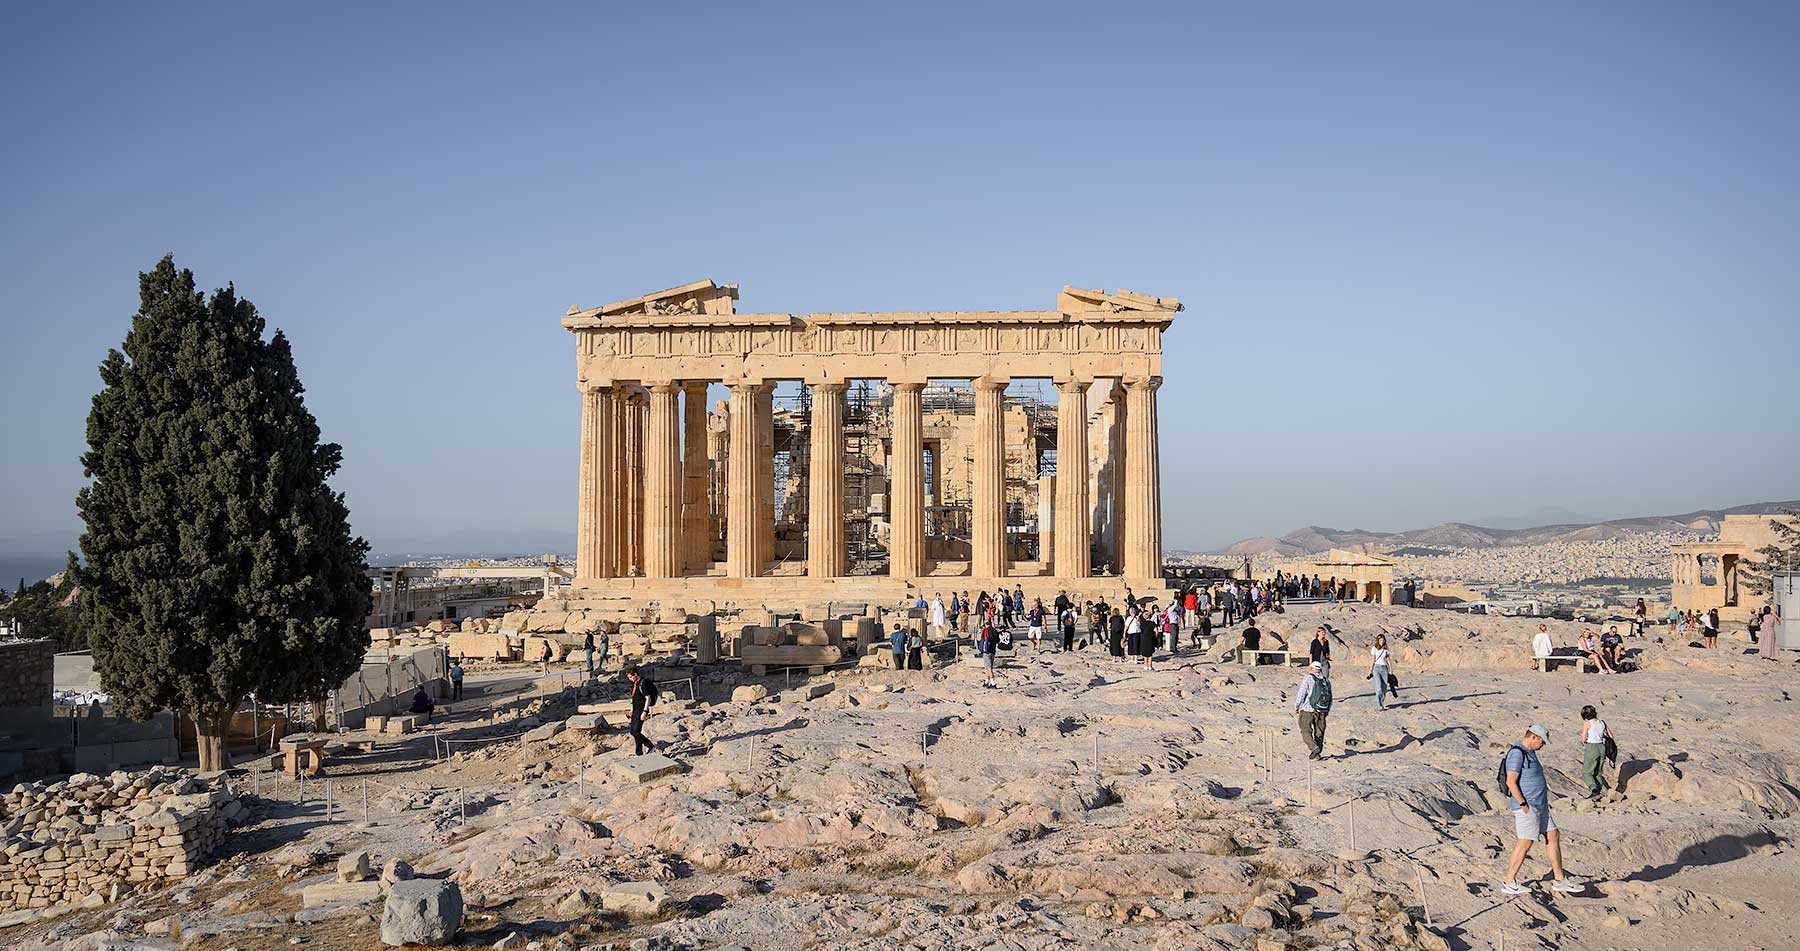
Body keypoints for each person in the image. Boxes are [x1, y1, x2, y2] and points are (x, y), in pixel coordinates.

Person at [1499, 724, 1583, 895]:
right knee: (1525, 841)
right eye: (1543, 742)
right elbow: (1510, 781)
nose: (1543, 745)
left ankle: (1559, 879)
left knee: (1553, 834)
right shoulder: (1517, 753)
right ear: (1534, 737)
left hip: (1540, 805)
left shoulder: (1530, 752)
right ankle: (1509, 882)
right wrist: (1523, 804)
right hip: (1527, 807)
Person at [1294, 660, 1332, 760]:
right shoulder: (1326, 680)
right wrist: (1327, 710)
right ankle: (1317, 754)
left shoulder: (1308, 678)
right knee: (1319, 732)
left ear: (1311, 668)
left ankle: (1314, 747)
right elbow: (1330, 697)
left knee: (1305, 730)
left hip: (1308, 709)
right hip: (1321, 709)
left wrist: (1297, 706)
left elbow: (1301, 693)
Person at [1578, 705, 1613, 799]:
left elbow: (1583, 738)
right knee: (1598, 772)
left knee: (1587, 772)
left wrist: (1583, 740)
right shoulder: (1602, 723)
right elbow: (1611, 736)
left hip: (1592, 747)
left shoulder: (1588, 723)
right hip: (1602, 748)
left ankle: (1594, 789)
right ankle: (1600, 791)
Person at [626, 666, 660, 756]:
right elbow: (634, 697)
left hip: (641, 710)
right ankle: (649, 745)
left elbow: (648, 697)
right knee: (633, 731)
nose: (630, 679)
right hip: (635, 709)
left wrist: (645, 711)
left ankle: (639, 752)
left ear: (636, 674)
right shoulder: (635, 683)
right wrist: (631, 709)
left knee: (636, 731)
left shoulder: (643, 683)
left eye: (630, 677)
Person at [1368, 633, 1393, 711]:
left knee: (1384, 688)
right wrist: (1370, 670)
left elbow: (1388, 660)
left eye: (1383, 640)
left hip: (1384, 669)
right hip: (1376, 668)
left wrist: (1391, 670)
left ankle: (1382, 701)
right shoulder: (1374, 648)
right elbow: (1372, 660)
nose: (1381, 641)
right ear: (1377, 641)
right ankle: (1380, 706)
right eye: (1380, 640)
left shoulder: (1386, 649)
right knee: (1378, 687)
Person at [976, 615, 999, 688]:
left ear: (985, 624)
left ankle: (993, 683)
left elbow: (982, 640)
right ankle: (987, 681)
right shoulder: (994, 630)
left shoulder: (985, 631)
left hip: (986, 651)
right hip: (993, 650)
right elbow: (997, 640)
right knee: (988, 667)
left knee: (989, 668)